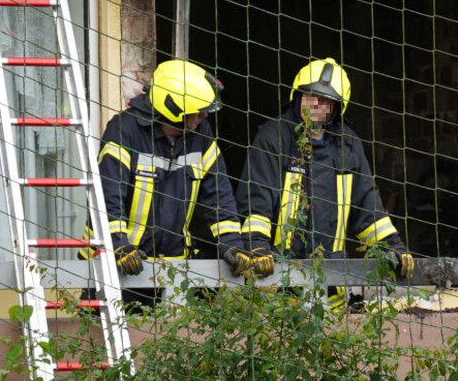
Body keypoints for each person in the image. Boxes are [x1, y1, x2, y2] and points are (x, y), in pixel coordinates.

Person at [237, 57, 414, 310]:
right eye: (311, 97)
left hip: (331, 282)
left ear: (337, 108)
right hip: (276, 279)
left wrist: (392, 246)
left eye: (325, 101)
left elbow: (367, 205)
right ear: (298, 96)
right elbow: (256, 199)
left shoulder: (348, 146)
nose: (316, 105)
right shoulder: (273, 137)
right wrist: (257, 245)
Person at [83, 60, 253, 302]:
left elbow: (218, 195)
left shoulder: (201, 136)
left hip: (170, 271)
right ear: (174, 108)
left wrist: (232, 244)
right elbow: (107, 196)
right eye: (198, 110)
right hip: (116, 265)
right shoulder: (124, 131)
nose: (204, 116)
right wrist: (117, 245)